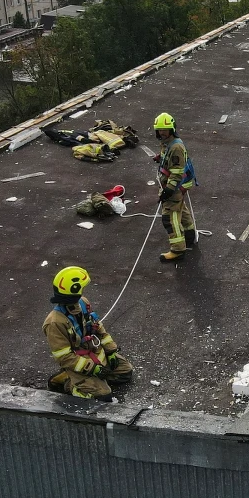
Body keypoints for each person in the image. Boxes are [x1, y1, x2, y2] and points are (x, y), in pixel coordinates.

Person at [44, 266, 133, 399]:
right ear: (74, 290)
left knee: (125, 372)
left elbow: (98, 328)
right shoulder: (55, 323)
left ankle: (91, 380)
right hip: (78, 363)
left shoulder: (83, 303)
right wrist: (91, 368)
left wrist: (111, 351)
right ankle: (69, 383)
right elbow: (64, 357)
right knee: (102, 396)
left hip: (94, 354)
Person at [153, 112, 197, 262]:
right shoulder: (169, 143)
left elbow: (177, 173)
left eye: (164, 130)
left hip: (176, 186)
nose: (162, 132)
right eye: (159, 130)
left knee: (169, 218)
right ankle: (190, 234)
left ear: (172, 129)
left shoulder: (176, 147)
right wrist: (161, 158)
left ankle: (178, 250)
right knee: (180, 208)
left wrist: (168, 190)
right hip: (178, 186)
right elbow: (170, 159)